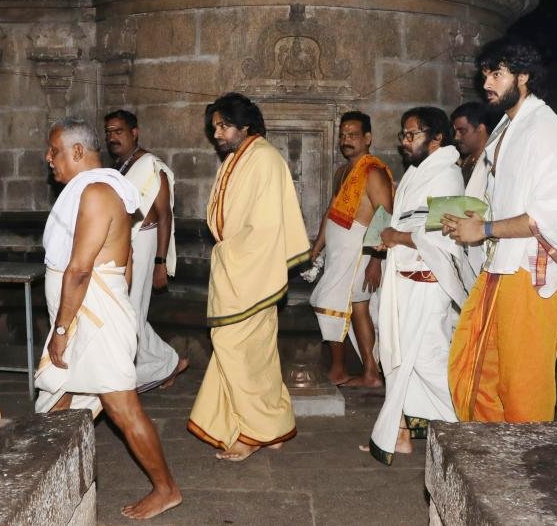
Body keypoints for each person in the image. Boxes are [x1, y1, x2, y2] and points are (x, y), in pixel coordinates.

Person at [35, 116, 181, 519]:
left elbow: (81, 268)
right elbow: (125, 261)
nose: (49, 159)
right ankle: (48, 486)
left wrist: (63, 330)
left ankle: (166, 489)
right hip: (90, 312)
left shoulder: (98, 192)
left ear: (78, 151)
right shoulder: (94, 190)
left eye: (55, 151)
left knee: (122, 408)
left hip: (91, 318)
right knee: (54, 402)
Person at [443, 36, 557, 423]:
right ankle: (493, 465)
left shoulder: (548, 131)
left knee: (523, 387)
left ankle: (530, 472)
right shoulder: (506, 126)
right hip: (500, 267)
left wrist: (483, 229)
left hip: (531, 273)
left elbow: (546, 217)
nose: (487, 82)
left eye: (497, 74)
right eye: (486, 73)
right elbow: (495, 195)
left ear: (523, 76)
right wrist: (463, 219)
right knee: (475, 370)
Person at [188, 93, 310, 461]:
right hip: (235, 267)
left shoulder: (264, 159)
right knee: (253, 352)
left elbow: (267, 225)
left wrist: (236, 257)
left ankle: (254, 432)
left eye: (224, 126)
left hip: (250, 272)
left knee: (239, 351)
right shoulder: (238, 158)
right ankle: (272, 427)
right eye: (214, 129)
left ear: (245, 126)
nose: (218, 135)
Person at [368, 107, 465, 465]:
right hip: (405, 283)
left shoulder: (448, 176)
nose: (405, 142)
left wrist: (397, 236)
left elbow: (444, 237)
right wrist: (388, 239)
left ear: (438, 138)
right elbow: (405, 223)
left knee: (427, 360)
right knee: (397, 359)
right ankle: (400, 434)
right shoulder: (416, 173)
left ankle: (466, 429)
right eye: (404, 135)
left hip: (428, 285)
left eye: (413, 135)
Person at [104, 109, 189, 393]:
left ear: (134, 132)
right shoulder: (122, 166)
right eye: (109, 132)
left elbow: (165, 215)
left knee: (130, 310)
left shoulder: (151, 165)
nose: (112, 137)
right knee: (128, 310)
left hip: (145, 241)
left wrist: (160, 262)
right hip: (125, 244)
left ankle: (165, 364)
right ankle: (165, 364)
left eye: (118, 131)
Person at [309, 111, 394, 387]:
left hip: (361, 253)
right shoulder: (342, 171)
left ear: (367, 138)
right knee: (359, 309)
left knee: (327, 301)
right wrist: (317, 248)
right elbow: (330, 213)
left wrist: (376, 260)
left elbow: (385, 216)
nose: (346, 140)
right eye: (343, 135)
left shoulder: (374, 172)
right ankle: (370, 372)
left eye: (353, 134)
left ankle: (338, 369)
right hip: (338, 253)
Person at [450, 101, 495, 186]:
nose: (456, 137)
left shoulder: (493, 163)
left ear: (480, 129)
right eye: (455, 132)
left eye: (462, 131)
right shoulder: (466, 161)